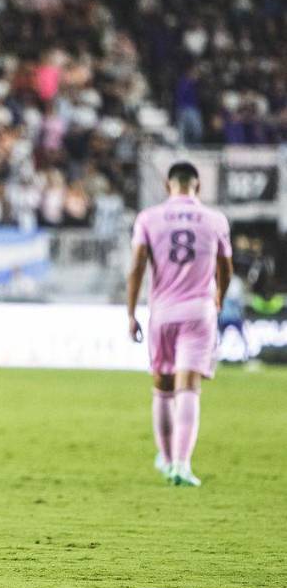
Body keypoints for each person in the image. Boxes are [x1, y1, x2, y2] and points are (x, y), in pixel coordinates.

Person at [127, 161, 233, 487]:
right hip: (199, 311)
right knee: (189, 386)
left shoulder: (149, 218)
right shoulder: (215, 219)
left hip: (162, 313)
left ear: (167, 186)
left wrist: (130, 312)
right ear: (197, 186)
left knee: (162, 387)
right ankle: (182, 465)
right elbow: (225, 267)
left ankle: (166, 457)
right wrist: (219, 297)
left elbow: (137, 268)